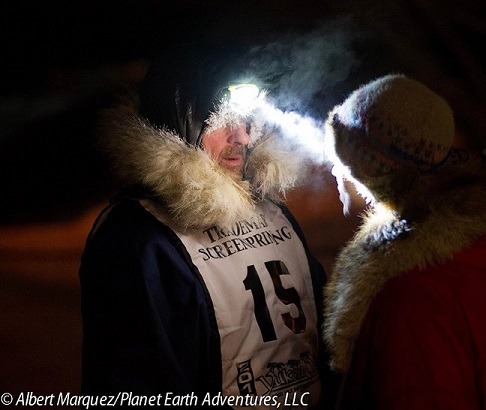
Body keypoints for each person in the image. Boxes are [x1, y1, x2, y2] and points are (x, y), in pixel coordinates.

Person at [79, 41, 332, 409]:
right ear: (179, 120)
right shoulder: (137, 239)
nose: (241, 137)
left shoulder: (274, 213)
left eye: (247, 120)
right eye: (221, 120)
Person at [320, 74, 486, 409]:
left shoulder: (410, 292)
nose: (343, 177)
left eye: (349, 166)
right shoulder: (473, 244)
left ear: (377, 168)